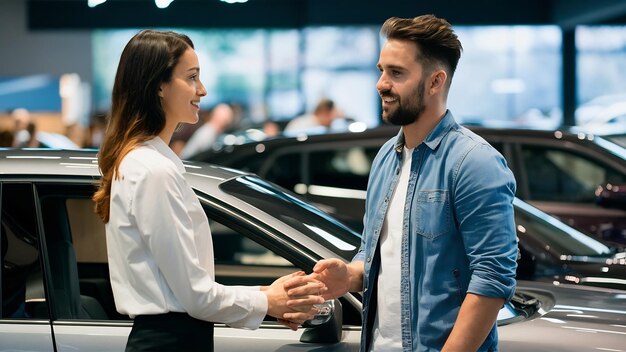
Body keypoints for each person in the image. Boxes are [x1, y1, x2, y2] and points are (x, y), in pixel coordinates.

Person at [286, 15, 518, 352]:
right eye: (381, 70)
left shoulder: (473, 162)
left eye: (396, 73)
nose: (381, 83)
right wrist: (350, 276)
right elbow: (384, 256)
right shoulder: (385, 158)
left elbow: (493, 280)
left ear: (436, 81)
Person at [92, 30, 325, 352]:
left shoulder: (148, 162)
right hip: (171, 341)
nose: (202, 89)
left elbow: (186, 291)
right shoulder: (152, 170)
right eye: (192, 78)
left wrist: (268, 295)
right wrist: (268, 301)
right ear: (159, 85)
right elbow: (195, 296)